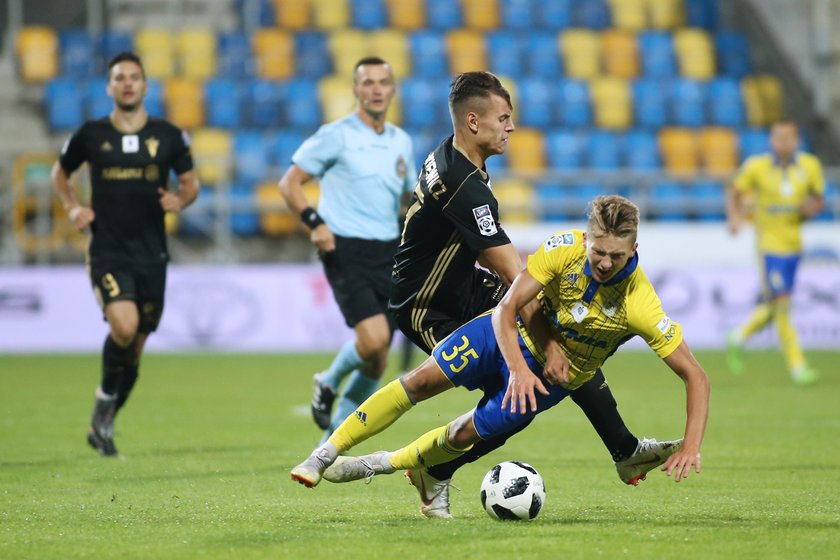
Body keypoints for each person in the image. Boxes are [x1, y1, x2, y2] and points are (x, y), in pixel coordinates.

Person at [293, 72, 681, 516]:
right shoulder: (467, 189)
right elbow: (513, 272)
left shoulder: (453, 154)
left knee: (548, 367)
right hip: (428, 305)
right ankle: (418, 470)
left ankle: (622, 449)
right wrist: (550, 342)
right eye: (504, 118)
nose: (511, 127)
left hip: (465, 288)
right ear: (474, 122)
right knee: (512, 393)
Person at [290, 195, 711, 504]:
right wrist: (521, 363)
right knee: (421, 381)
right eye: (597, 251)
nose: (603, 262)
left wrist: (691, 444)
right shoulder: (562, 248)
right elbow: (508, 307)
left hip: (550, 383)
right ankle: (323, 452)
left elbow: (696, 375)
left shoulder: (640, 304)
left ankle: (378, 463)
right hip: (504, 337)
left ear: (634, 251)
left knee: (462, 434)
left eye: (615, 256)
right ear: (586, 239)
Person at [51, 52, 199, 456]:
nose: (128, 83)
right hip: (108, 250)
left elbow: (191, 183)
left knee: (134, 349)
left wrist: (180, 200)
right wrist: (72, 206)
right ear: (109, 86)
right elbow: (59, 173)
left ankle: (104, 423)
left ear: (146, 85)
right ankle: (103, 406)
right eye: (120, 78)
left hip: (152, 254)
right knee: (123, 326)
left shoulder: (169, 135)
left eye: (134, 77)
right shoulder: (91, 134)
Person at [278, 57, 416, 444]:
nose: (375, 89)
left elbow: (406, 200)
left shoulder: (401, 142)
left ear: (392, 90)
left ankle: (330, 440)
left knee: (377, 359)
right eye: (367, 82)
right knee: (373, 341)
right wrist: (314, 222)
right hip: (345, 247)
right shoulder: (335, 135)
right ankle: (329, 379)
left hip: (389, 250)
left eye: (383, 82)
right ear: (355, 89)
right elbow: (289, 183)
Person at [725, 119, 825, 385]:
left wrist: (810, 210)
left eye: (789, 138)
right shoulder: (757, 167)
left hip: (794, 246)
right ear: (771, 140)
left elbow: (818, 199)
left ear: (796, 140)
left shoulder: (810, 166)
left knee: (777, 305)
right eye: (779, 137)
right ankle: (797, 366)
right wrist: (734, 218)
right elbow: (735, 191)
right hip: (769, 247)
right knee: (782, 306)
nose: (784, 142)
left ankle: (739, 336)